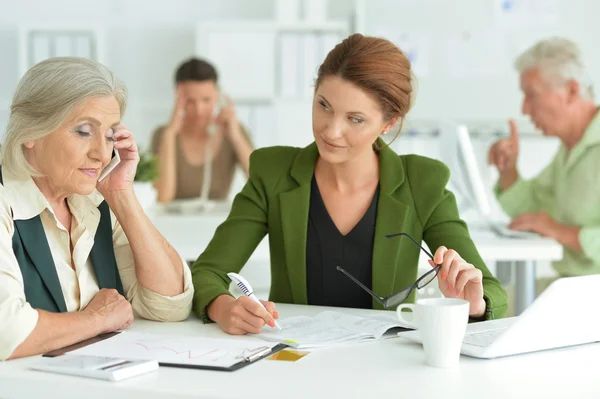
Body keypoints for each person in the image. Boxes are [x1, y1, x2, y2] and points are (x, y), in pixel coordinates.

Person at [191, 34, 507, 335]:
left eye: (355, 119)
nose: (331, 131)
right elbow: (207, 273)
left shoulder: (421, 182)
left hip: (385, 370)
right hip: (294, 364)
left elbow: (492, 292)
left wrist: (474, 302)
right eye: (323, 106)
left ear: (389, 123)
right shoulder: (273, 173)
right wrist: (223, 307)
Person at [0, 57, 193, 361]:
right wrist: (99, 319)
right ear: (30, 133)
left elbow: (169, 303)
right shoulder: (5, 202)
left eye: (109, 135)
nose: (102, 153)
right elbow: (7, 333)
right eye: (83, 131)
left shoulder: (94, 201)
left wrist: (122, 195)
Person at [489, 38, 600, 281]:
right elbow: (532, 213)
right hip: (573, 284)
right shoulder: (570, 147)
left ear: (571, 91)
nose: (525, 109)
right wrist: (509, 171)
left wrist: (559, 231)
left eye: (532, 95)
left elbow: (547, 225)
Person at [151, 58, 253, 203]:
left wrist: (235, 137)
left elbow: (262, 185)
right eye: (190, 101)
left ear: (218, 96)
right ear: (177, 98)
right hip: (170, 223)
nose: (199, 110)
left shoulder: (234, 130)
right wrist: (170, 134)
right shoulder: (162, 134)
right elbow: (163, 197)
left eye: (206, 100)